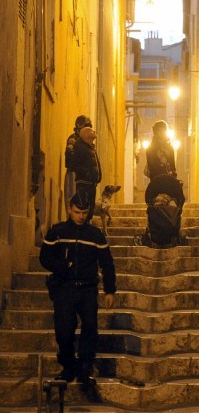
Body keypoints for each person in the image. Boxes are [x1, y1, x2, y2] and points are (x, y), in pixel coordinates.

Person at [39, 191, 116, 395]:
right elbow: (45, 257)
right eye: (76, 212)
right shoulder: (57, 232)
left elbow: (107, 263)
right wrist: (63, 266)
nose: (80, 216)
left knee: (90, 328)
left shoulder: (96, 235)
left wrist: (110, 290)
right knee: (64, 330)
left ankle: (84, 368)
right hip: (64, 288)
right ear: (69, 210)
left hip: (88, 289)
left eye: (84, 212)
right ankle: (67, 366)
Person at [64, 115, 92, 214]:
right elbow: (71, 158)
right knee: (73, 203)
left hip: (82, 177)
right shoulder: (74, 139)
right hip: (74, 175)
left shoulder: (85, 141)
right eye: (86, 126)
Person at [73, 126, 102, 221]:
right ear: (86, 134)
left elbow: (96, 163)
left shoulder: (91, 147)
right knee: (83, 207)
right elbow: (76, 164)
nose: (94, 131)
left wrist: (98, 177)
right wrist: (87, 174)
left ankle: (87, 228)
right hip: (84, 183)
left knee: (90, 208)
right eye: (91, 131)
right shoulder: (80, 147)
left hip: (91, 184)